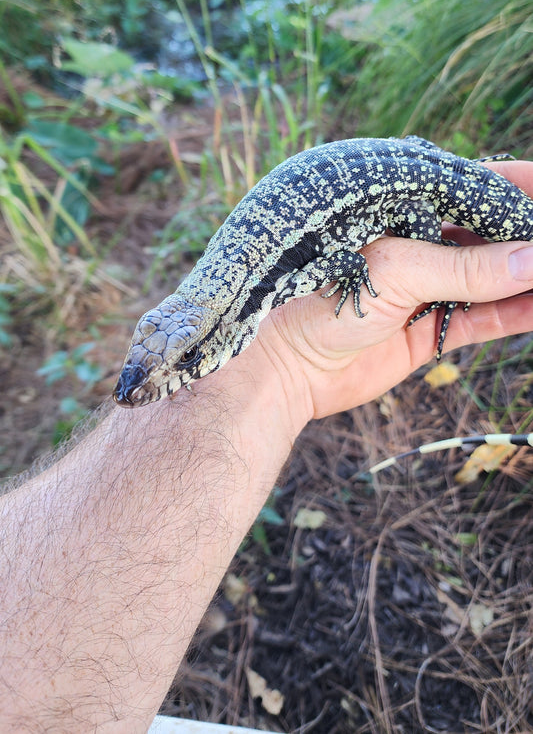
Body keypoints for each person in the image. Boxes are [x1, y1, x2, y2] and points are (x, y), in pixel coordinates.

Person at [1, 160, 533, 734]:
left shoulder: (270, 283)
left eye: (179, 367)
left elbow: (344, 259)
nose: (142, 388)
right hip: (388, 171)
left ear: (218, 335)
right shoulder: (233, 294)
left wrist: (430, 269)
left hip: (398, 187)